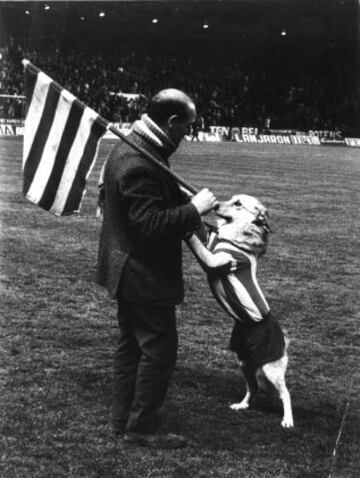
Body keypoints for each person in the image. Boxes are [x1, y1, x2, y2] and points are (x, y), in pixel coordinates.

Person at [97, 89, 225, 449]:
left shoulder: (139, 146)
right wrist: (194, 210)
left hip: (127, 270)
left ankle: (123, 420)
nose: (188, 135)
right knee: (159, 350)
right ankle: (142, 427)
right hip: (142, 274)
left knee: (132, 347)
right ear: (171, 123)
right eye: (187, 127)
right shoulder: (139, 160)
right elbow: (149, 225)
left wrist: (184, 206)